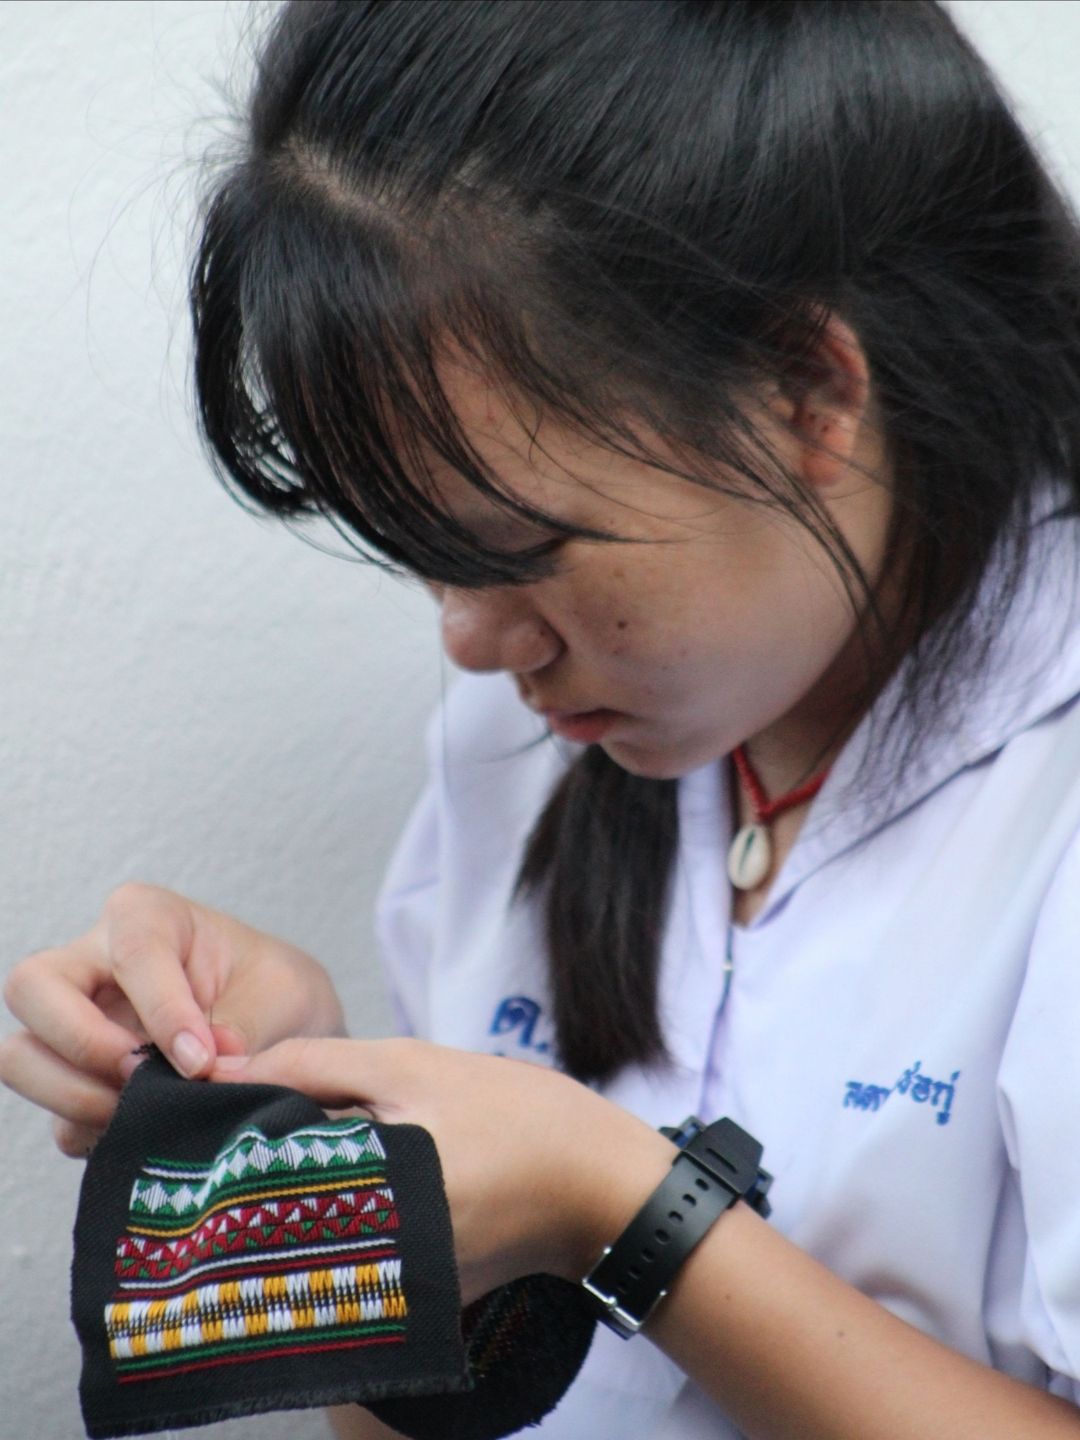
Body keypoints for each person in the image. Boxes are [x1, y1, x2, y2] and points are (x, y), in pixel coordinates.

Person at [4, 0, 1080, 1435]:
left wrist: (614, 1204)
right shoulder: (548, 723)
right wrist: (317, 1129)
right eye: (418, 552)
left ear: (808, 396)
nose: (468, 636)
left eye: (515, 547)